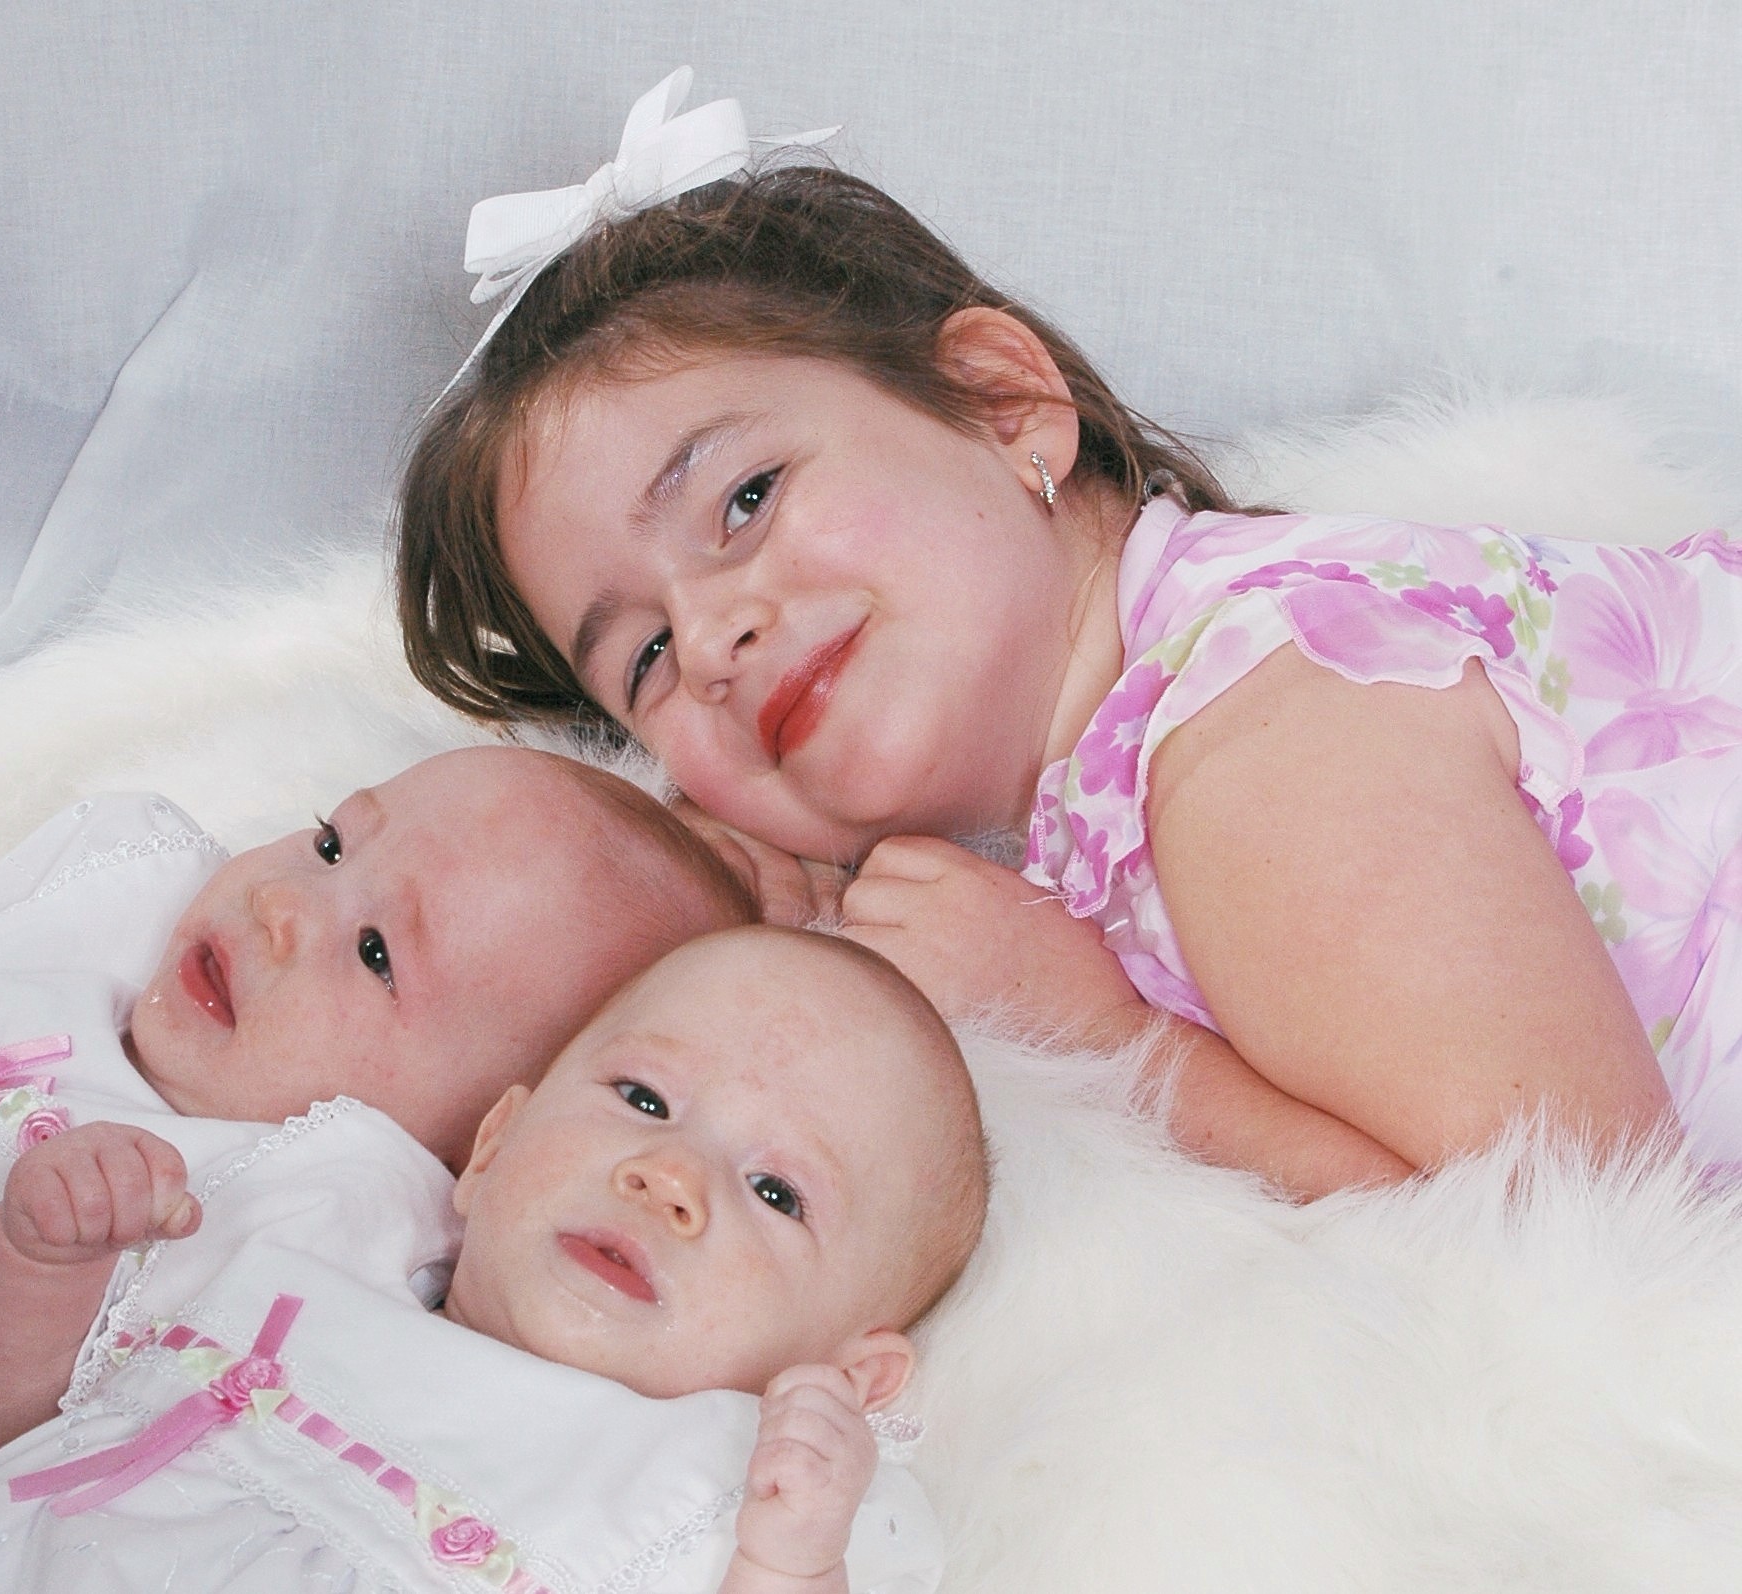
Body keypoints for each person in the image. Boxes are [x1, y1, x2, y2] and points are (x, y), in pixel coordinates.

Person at [394, 81, 1723, 1199]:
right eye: (644, 662)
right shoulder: (1115, 740)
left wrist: (1103, 1035)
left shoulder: (1261, 736)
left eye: (746, 500)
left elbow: (1575, 1233)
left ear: (1002, 401)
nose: (712, 638)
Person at [0, 744, 755, 1562]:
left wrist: (43, 1257)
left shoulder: (302, 1215)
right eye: (332, 844)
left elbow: (27, 1433)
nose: (283, 904)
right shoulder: (123, 904)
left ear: (485, 1140)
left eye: (375, 953)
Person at [0, 927, 983, 1594]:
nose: (670, 1177)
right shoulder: (306, 1248)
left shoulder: (734, 1489)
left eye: (777, 1192)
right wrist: (42, 1256)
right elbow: (18, 1421)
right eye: (643, 1098)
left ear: (856, 1375)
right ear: (492, 1149)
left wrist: (791, 1563)